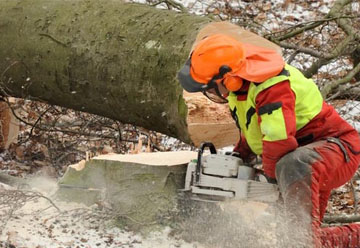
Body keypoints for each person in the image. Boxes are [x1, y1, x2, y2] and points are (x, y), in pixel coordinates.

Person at [177, 33, 360, 247]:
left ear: (229, 78)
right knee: (297, 235)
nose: (209, 93)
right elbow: (254, 127)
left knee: (297, 233)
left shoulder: (272, 87)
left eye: (210, 88)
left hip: (336, 149)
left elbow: (278, 140)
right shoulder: (242, 85)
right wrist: (240, 156)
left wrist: (270, 181)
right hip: (302, 158)